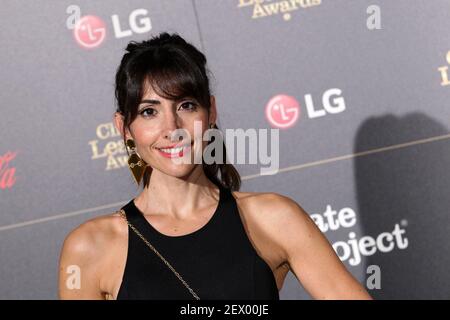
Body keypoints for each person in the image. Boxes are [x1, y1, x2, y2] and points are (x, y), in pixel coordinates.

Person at [58, 32, 372, 300]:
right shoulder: (90, 248)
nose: (173, 127)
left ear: (211, 112)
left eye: (186, 106)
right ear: (124, 128)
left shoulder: (274, 219)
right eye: (149, 112)